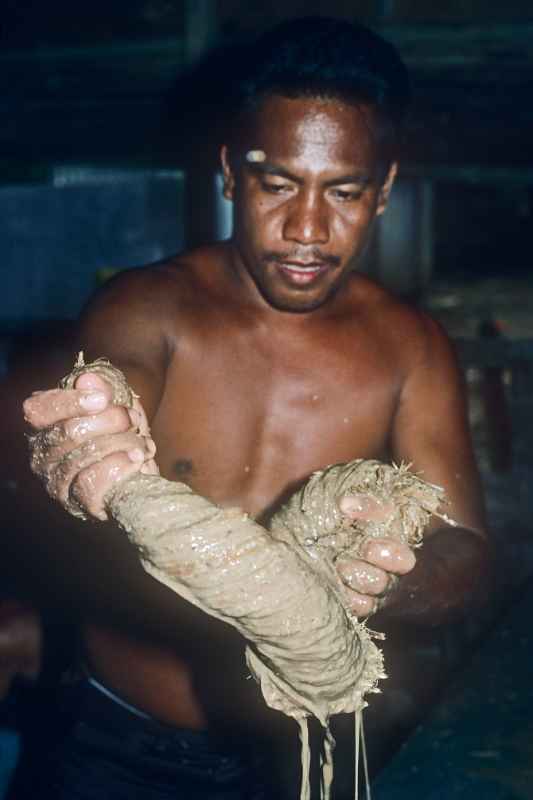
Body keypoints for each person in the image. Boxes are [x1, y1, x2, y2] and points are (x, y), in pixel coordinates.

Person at [10, 16, 490, 800]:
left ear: (383, 192)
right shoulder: (150, 305)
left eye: (342, 191)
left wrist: (394, 577)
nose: (306, 230)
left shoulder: (410, 347)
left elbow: (466, 547)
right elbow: (114, 375)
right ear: (231, 174)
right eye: (277, 184)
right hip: (110, 742)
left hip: (289, 756)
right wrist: (97, 423)